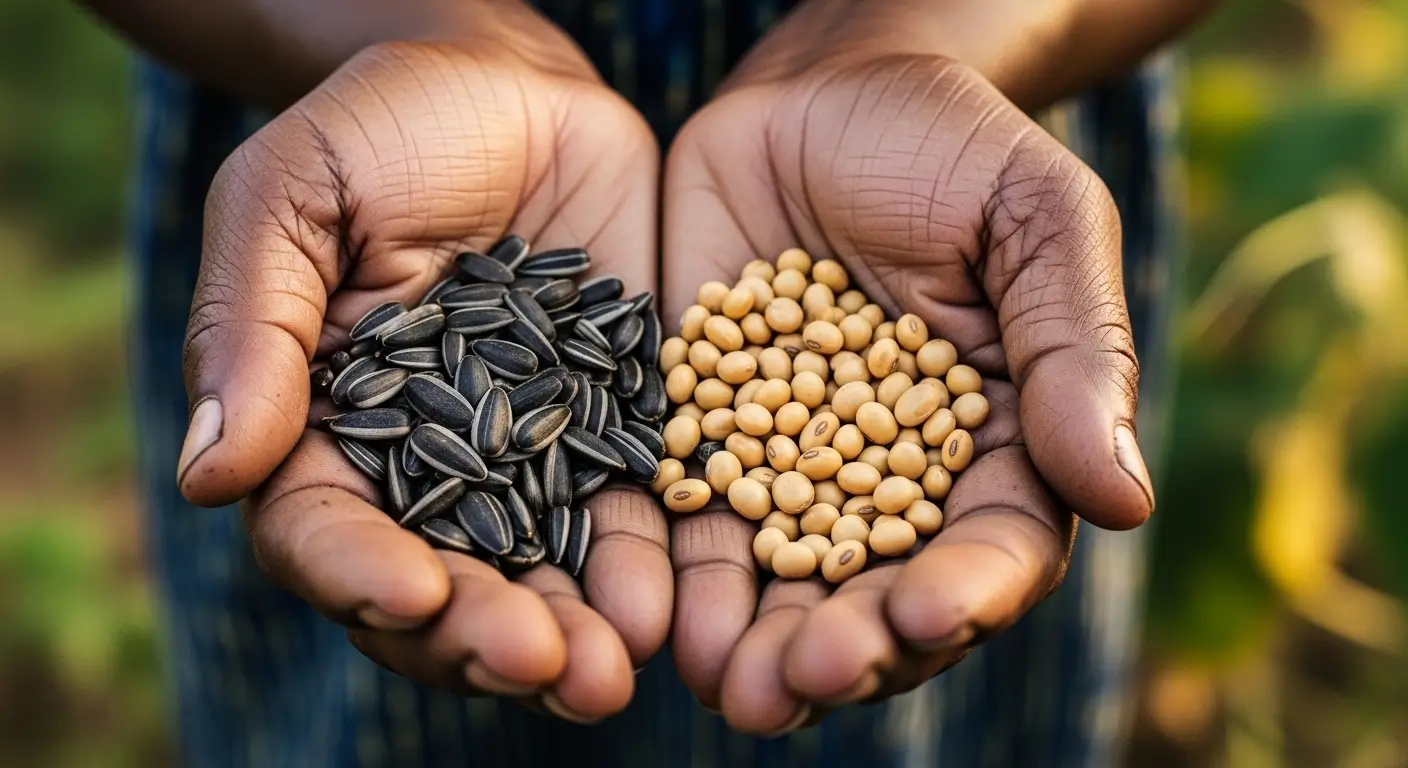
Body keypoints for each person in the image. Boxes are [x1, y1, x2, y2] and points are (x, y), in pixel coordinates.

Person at [78, 0, 1217, 764]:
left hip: (960, 160)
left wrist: (909, 30)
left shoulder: (884, 366)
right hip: (360, 170)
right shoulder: (450, 366)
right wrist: (429, 25)